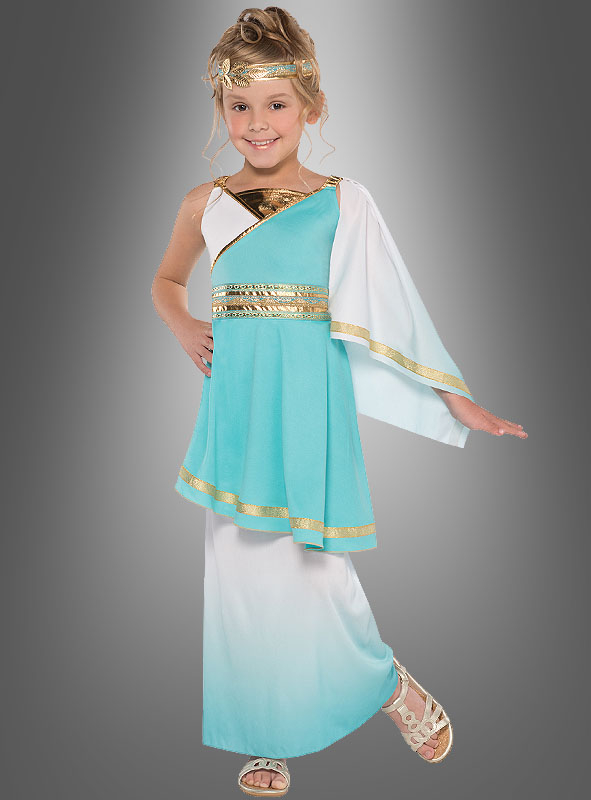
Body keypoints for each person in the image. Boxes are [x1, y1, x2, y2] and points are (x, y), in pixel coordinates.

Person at [151, 7, 527, 796]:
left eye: (276, 104)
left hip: (306, 413)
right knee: (239, 580)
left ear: (311, 107)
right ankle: (264, 738)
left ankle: (385, 682)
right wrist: (183, 322)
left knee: (316, 574)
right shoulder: (202, 203)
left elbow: (394, 308)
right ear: (220, 109)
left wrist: (455, 398)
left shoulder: (343, 201)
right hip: (235, 414)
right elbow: (166, 280)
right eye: (240, 106)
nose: (257, 123)